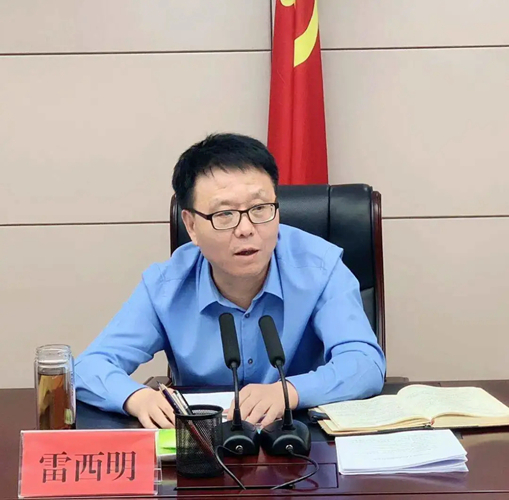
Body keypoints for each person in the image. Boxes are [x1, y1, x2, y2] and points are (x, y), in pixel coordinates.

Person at [75, 133, 386, 429]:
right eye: (224, 214)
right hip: (205, 446)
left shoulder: (320, 267)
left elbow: (365, 364)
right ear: (191, 225)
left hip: (300, 442)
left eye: (260, 208)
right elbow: (88, 367)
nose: (246, 228)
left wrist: (289, 391)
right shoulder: (165, 286)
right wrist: (137, 398)